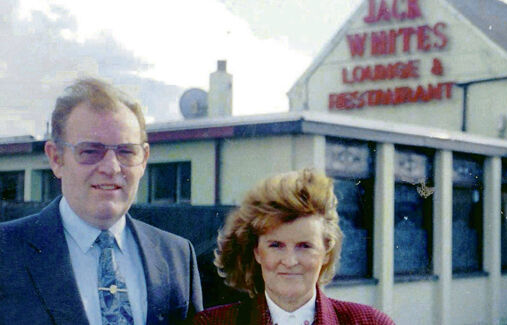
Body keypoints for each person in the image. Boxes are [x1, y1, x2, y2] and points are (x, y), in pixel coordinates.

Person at [0, 78, 203, 324]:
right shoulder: (6, 251)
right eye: (90, 151)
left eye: (126, 151)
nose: (111, 167)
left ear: (144, 159)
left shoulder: (177, 256)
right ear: (56, 158)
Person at [191, 169, 395, 325]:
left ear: (326, 252)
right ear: (256, 252)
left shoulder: (372, 322)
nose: (289, 261)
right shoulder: (210, 323)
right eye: (276, 245)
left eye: (305, 246)